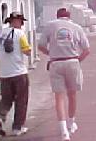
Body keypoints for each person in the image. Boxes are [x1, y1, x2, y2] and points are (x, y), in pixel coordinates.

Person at [38, 8, 90, 141]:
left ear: (57, 16)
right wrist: (78, 60)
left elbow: (41, 46)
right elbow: (86, 50)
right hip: (72, 61)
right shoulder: (76, 27)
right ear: (69, 17)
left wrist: (51, 53)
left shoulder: (50, 26)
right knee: (72, 95)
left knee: (59, 98)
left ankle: (63, 132)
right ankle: (71, 123)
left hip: (56, 63)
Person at [0, 12, 31, 136]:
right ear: (17, 21)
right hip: (19, 73)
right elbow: (27, 51)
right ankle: (17, 128)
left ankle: (0, 117)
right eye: (21, 22)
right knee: (21, 100)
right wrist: (29, 49)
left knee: (6, 99)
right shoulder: (20, 34)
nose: (22, 24)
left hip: (4, 74)